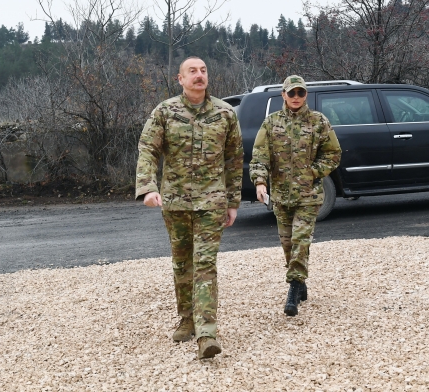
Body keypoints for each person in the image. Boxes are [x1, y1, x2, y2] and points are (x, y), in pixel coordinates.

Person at [135, 56, 243, 359]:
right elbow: (148, 149)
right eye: (192, 72)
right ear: (179, 79)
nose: (199, 75)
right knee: (182, 264)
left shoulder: (225, 113)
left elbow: (235, 160)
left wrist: (233, 202)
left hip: (212, 201)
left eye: (204, 71)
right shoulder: (165, 112)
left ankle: (207, 332)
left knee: (205, 265)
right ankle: (186, 319)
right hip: (176, 201)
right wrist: (147, 187)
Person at [249, 75, 341, 316]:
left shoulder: (318, 121)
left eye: (301, 93)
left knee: (301, 241)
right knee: (288, 245)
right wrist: (260, 182)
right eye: (292, 93)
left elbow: (333, 154)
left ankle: (292, 291)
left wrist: (313, 172)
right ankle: (301, 283)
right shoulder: (271, 123)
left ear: (306, 95)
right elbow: (259, 155)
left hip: (308, 195)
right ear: (284, 95)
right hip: (280, 197)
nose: (296, 97)